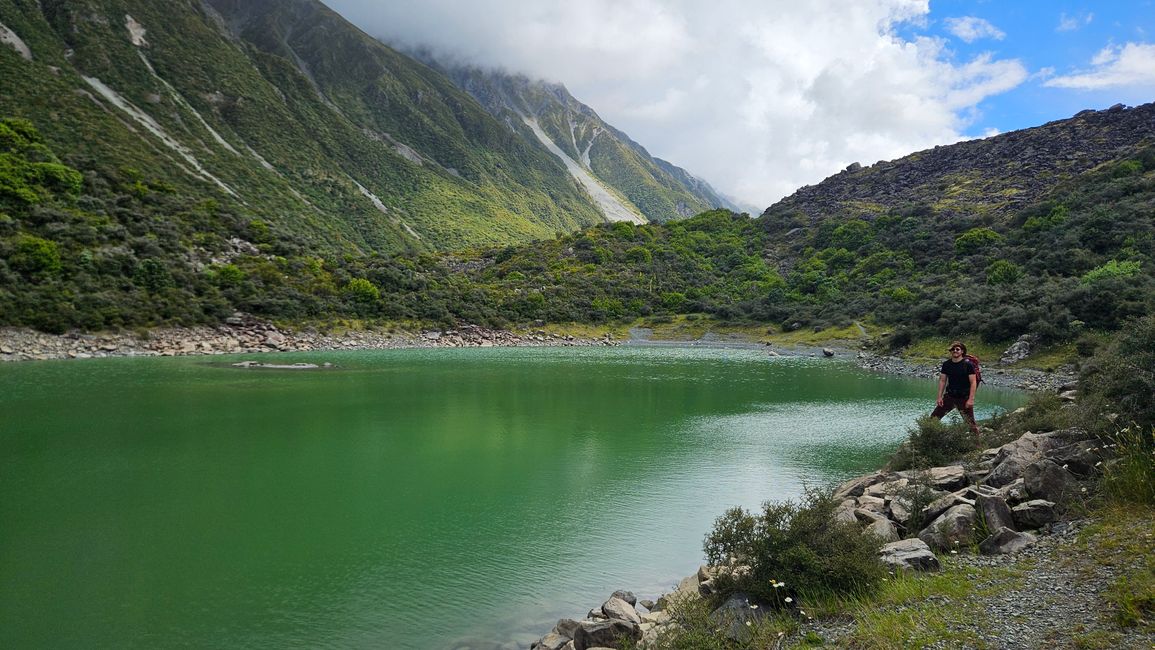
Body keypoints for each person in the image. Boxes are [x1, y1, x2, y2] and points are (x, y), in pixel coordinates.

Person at [931, 340, 981, 435]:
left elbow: (973, 382)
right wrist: (939, 397)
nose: (955, 351)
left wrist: (971, 399)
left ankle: (978, 447)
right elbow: (942, 381)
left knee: (971, 424)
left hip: (964, 398)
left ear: (962, 351)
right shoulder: (946, 364)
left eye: (957, 349)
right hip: (949, 397)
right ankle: (925, 440)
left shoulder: (968, 365)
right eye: (952, 349)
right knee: (933, 418)